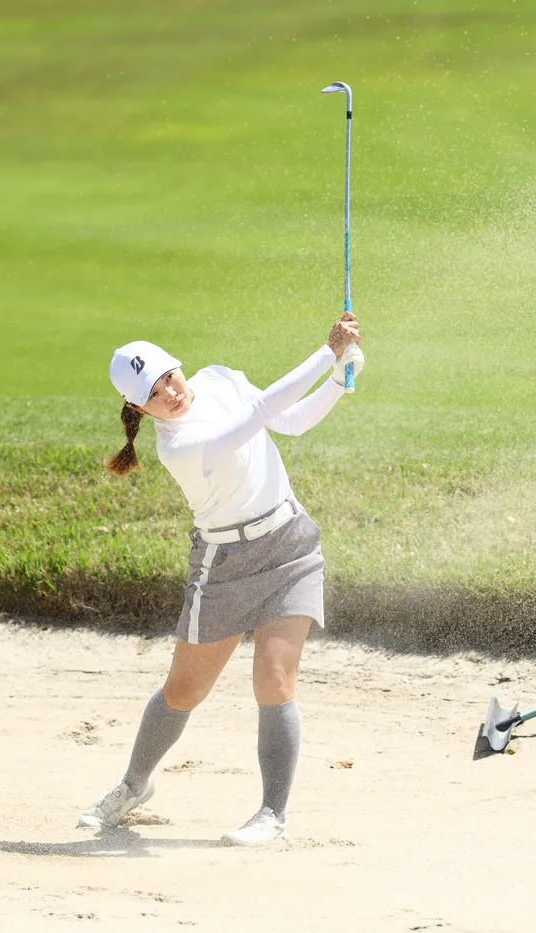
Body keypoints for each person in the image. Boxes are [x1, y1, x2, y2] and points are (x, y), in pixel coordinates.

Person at [79, 311, 363, 845]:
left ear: (179, 367)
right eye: (153, 393)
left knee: (275, 680)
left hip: (290, 545)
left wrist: (337, 382)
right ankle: (134, 785)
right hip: (224, 565)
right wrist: (328, 352)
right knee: (184, 690)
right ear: (138, 408)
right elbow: (256, 416)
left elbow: (290, 421)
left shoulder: (221, 380)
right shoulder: (177, 446)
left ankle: (272, 814)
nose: (169, 393)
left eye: (169, 377)